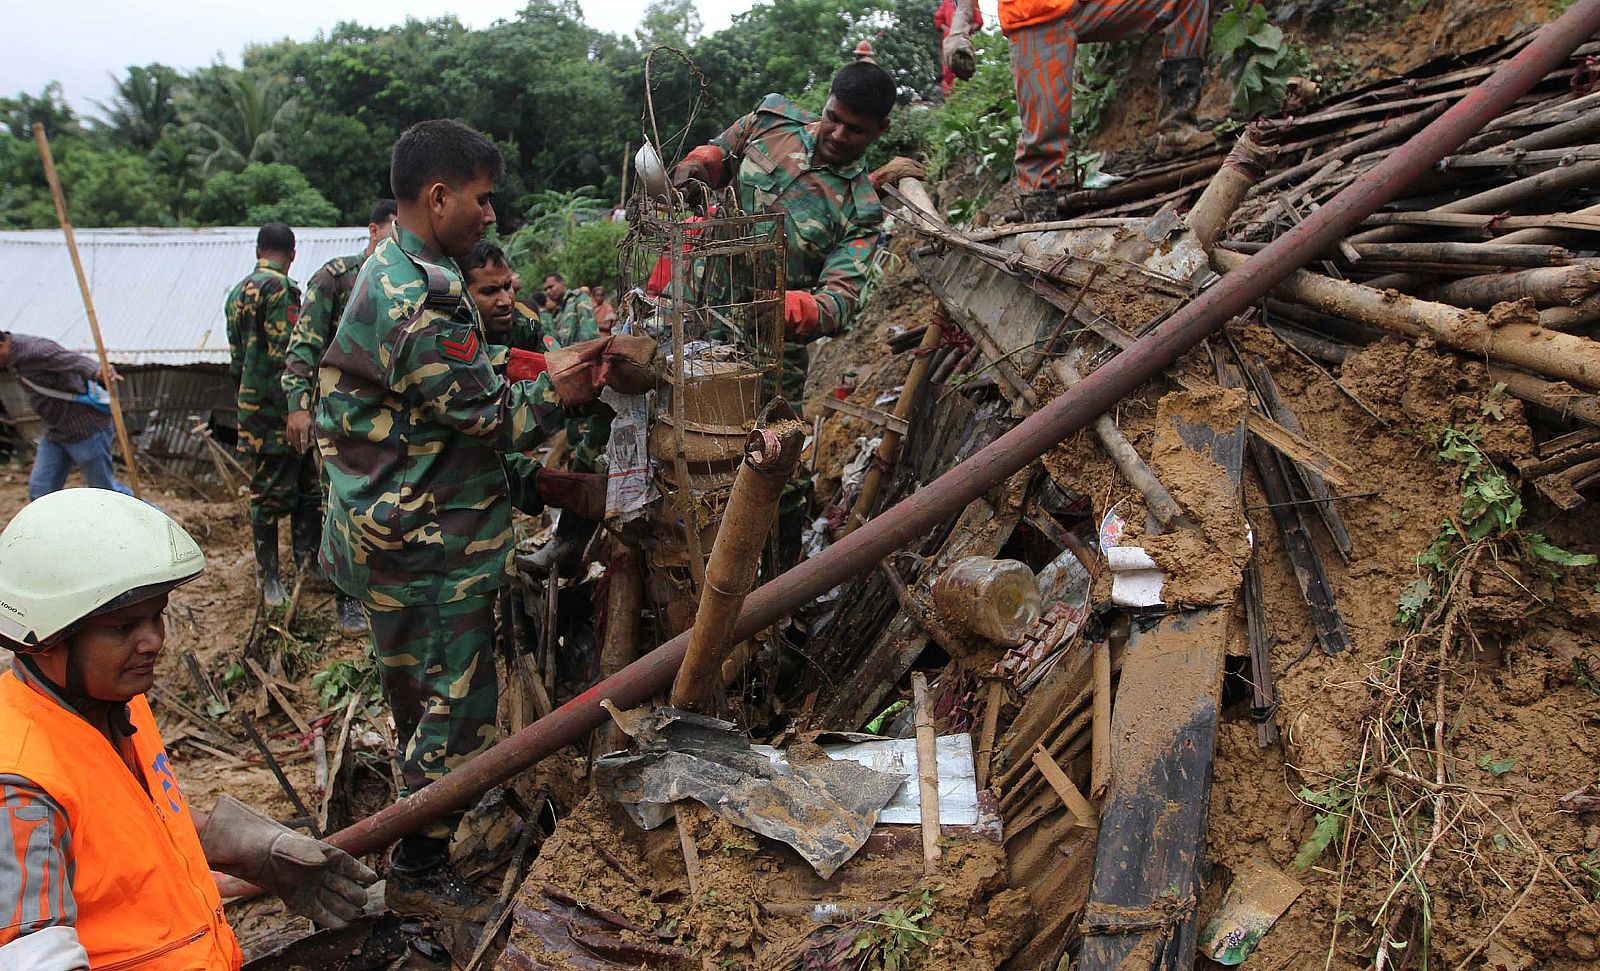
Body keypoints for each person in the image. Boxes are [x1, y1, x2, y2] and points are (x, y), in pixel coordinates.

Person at [314, 119, 657, 919]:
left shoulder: (399, 265)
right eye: (482, 197)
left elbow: (442, 405)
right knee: (460, 719)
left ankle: (412, 833)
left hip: (392, 529)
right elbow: (491, 418)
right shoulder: (421, 296)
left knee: (421, 701)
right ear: (439, 197)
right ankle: (420, 870)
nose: (490, 214)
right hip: (427, 545)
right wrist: (566, 386)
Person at [0, 488, 376, 970]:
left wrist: (257, 851)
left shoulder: (113, 703)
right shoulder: (18, 787)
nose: (154, 640)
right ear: (45, 639)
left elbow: (131, 825)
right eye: (124, 628)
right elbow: (32, 957)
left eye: (157, 616)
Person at [670, 60, 922, 563]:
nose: (837, 133)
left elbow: (841, 301)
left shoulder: (862, 210)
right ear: (825, 103)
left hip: (765, 353)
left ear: (880, 130)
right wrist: (696, 166)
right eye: (833, 117)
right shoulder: (771, 119)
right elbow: (719, 153)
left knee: (772, 469)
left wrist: (793, 306)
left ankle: (782, 586)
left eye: (855, 130)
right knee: (674, 443)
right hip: (693, 313)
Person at [942, 0, 1212, 219]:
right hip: (1034, 16)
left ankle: (1178, 131)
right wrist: (958, 30)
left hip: (1088, 6)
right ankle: (1039, 228)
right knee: (1044, 135)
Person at [280, 200, 398, 633]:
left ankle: (378, 590)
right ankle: (346, 599)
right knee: (342, 503)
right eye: (393, 229)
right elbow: (304, 345)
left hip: (387, 417)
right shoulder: (336, 277)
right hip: (338, 419)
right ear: (373, 230)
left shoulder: (405, 279)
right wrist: (297, 405)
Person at [461, 240, 606, 523]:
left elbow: (556, 361)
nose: (505, 300)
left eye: (507, 287)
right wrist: (540, 482)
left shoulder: (523, 323)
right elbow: (486, 432)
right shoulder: (452, 334)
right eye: (489, 291)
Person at [225, 222, 315, 607]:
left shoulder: (236, 293)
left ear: (258, 250)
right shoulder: (282, 290)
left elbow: (235, 357)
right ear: (292, 255)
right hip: (279, 407)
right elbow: (288, 352)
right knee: (273, 486)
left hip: (250, 401)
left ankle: (302, 566)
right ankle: (271, 578)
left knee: (302, 481)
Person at [522, 272, 607, 577]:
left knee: (589, 455)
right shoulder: (551, 315)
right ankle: (569, 546)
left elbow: (585, 341)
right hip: (568, 389)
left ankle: (572, 546)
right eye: (544, 288)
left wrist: (583, 377)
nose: (549, 291)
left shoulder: (578, 303)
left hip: (581, 384)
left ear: (561, 283)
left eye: (550, 286)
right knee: (579, 456)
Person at [0, 332, 131, 500]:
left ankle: (155, 518)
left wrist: (99, 371)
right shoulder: (12, 358)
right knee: (40, 492)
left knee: (106, 492)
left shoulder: (36, 350)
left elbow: (74, 360)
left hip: (85, 430)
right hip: (55, 432)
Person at [934, 0, 984, 95]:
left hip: (964, 42)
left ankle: (964, 99)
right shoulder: (947, 2)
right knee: (948, 72)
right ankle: (950, 100)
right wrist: (949, 31)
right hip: (949, 43)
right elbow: (938, 21)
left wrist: (967, 29)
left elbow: (979, 22)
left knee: (965, 66)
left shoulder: (971, 2)